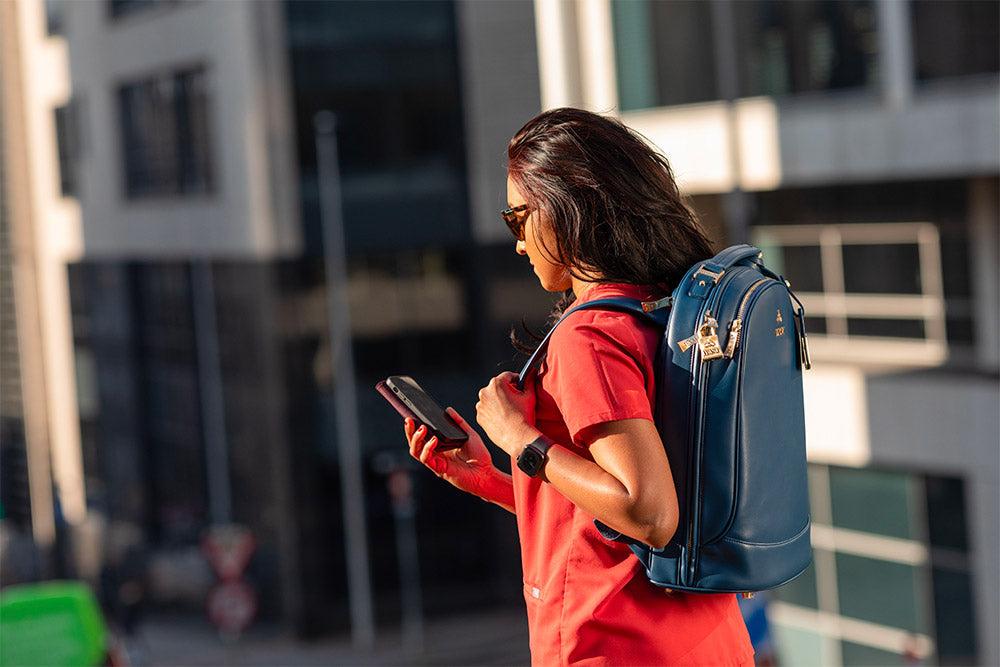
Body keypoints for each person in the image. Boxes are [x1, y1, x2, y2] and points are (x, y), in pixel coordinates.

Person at [403, 108, 755, 666]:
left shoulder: (589, 336)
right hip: (708, 640)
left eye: (519, 219)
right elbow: (603, 529)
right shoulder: (671, 314)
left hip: (618, 647)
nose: (518, 244)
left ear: (567, 210)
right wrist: (490, 480)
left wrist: (518, 438)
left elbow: (649, 515)